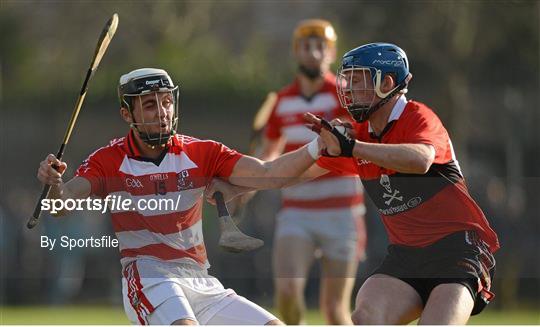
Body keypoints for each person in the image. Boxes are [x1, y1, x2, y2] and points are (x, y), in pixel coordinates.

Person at [208, 43, 500, 325]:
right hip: (406, 257)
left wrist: (353, 147)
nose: (348, 90)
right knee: (366, 316)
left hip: (457, 252)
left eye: (358, 82)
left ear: (386, 82)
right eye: (347, 81)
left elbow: (420, 159)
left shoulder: (417, 117)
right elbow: (287, 174)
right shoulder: (360, 135)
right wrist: (237, 187)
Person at [37, 68, 328, 325]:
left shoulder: (202, 152)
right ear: (127, 114)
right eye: (150, 105)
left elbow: (269, 173)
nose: (162, 112)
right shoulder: (109, 160)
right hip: (149, 275)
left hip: (200, 279)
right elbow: (62, 204)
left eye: (166, 102)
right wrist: (54, 183)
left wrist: (319, 146)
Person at [245, 19, 366, 325]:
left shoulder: (343, 96)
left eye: (320, 46)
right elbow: (269, 157)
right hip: (296, 213)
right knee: (286, 290)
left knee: (335, 310)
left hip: (342, 214)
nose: (313, 53)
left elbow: (346, 146)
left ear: (331, 52)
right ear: (296, 51)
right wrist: (246, 181)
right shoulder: (282, 101)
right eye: (306, 46)